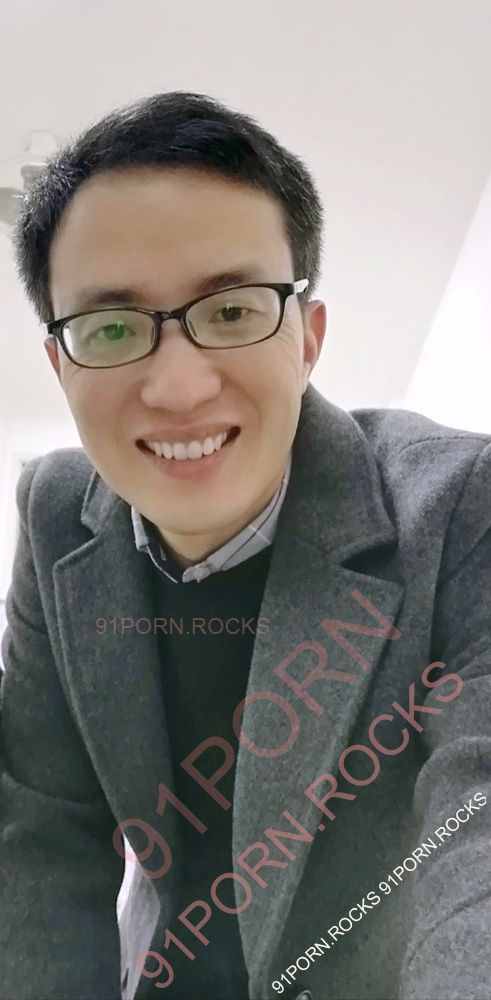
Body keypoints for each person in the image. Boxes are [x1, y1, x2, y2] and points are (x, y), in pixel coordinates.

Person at [0, 90, 490, 1000]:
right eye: (112, 328)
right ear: (61, 366)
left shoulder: (462, 504)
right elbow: (42, 832)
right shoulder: (56, 515)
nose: (178, 388)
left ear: (306, 340)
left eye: (230, 312)